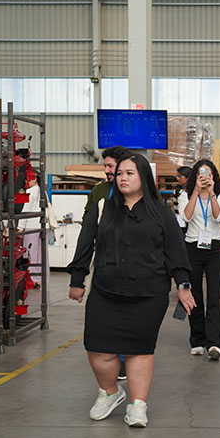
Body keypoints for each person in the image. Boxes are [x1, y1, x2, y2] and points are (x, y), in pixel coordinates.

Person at [67, 152, 196, 428]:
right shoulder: (102, 208)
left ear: (143, 177)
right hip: (105, 292)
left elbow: (175, 252)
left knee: (140, 351)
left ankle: (138, 405)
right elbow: (85, 243)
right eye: (119, 173)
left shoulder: (160, 212)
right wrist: (77, 279)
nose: (122, 178)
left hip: (148, 294)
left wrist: (183, 286)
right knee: (98, 349)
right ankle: (110, 392)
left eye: (129, 173)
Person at [83, 145, 132, 381]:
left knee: (126, 312)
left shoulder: (137, 191)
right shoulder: (99, 192)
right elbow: (87, 225)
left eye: (110, 166)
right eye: (105, 166)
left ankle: (123, 359)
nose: (106, 170)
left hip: (131, 262)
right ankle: (112, 356)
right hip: (103, 261)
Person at [179, 160, 220, 361]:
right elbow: (186, 217)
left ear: (213, 176)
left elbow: (218, 217)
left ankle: (215, 343)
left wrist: (212, 193)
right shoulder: (184, 195)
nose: (205, 177)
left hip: (214, 249)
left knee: (214, 297)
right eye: (201, 174)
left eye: (208, 174)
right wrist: (195, 192)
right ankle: (197, 340)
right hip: (192, 247)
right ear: (195, 176)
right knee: (195, 296)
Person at [173, 165, 193, 237]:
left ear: (188, 178)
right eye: (177, 176)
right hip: (181, 222)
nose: (177, 179)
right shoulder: (177, 191)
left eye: (180, 176)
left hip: (192, 223)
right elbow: (176, 208)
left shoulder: (195, 191)